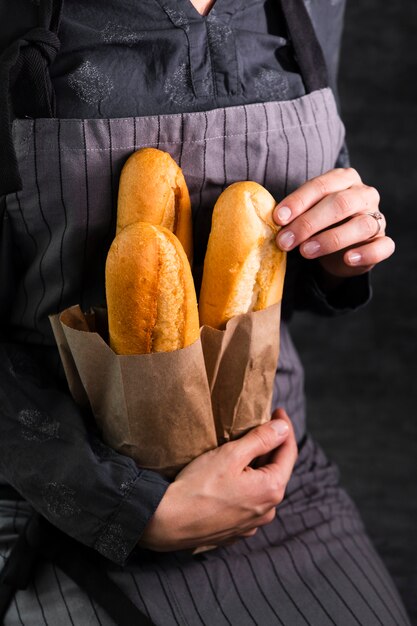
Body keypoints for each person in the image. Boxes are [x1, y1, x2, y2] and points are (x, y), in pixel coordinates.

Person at [0, 0, 410, 624]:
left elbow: (262, 298)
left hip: (273, 477)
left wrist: (335, 252)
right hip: (54, 492)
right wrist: (132, 508)